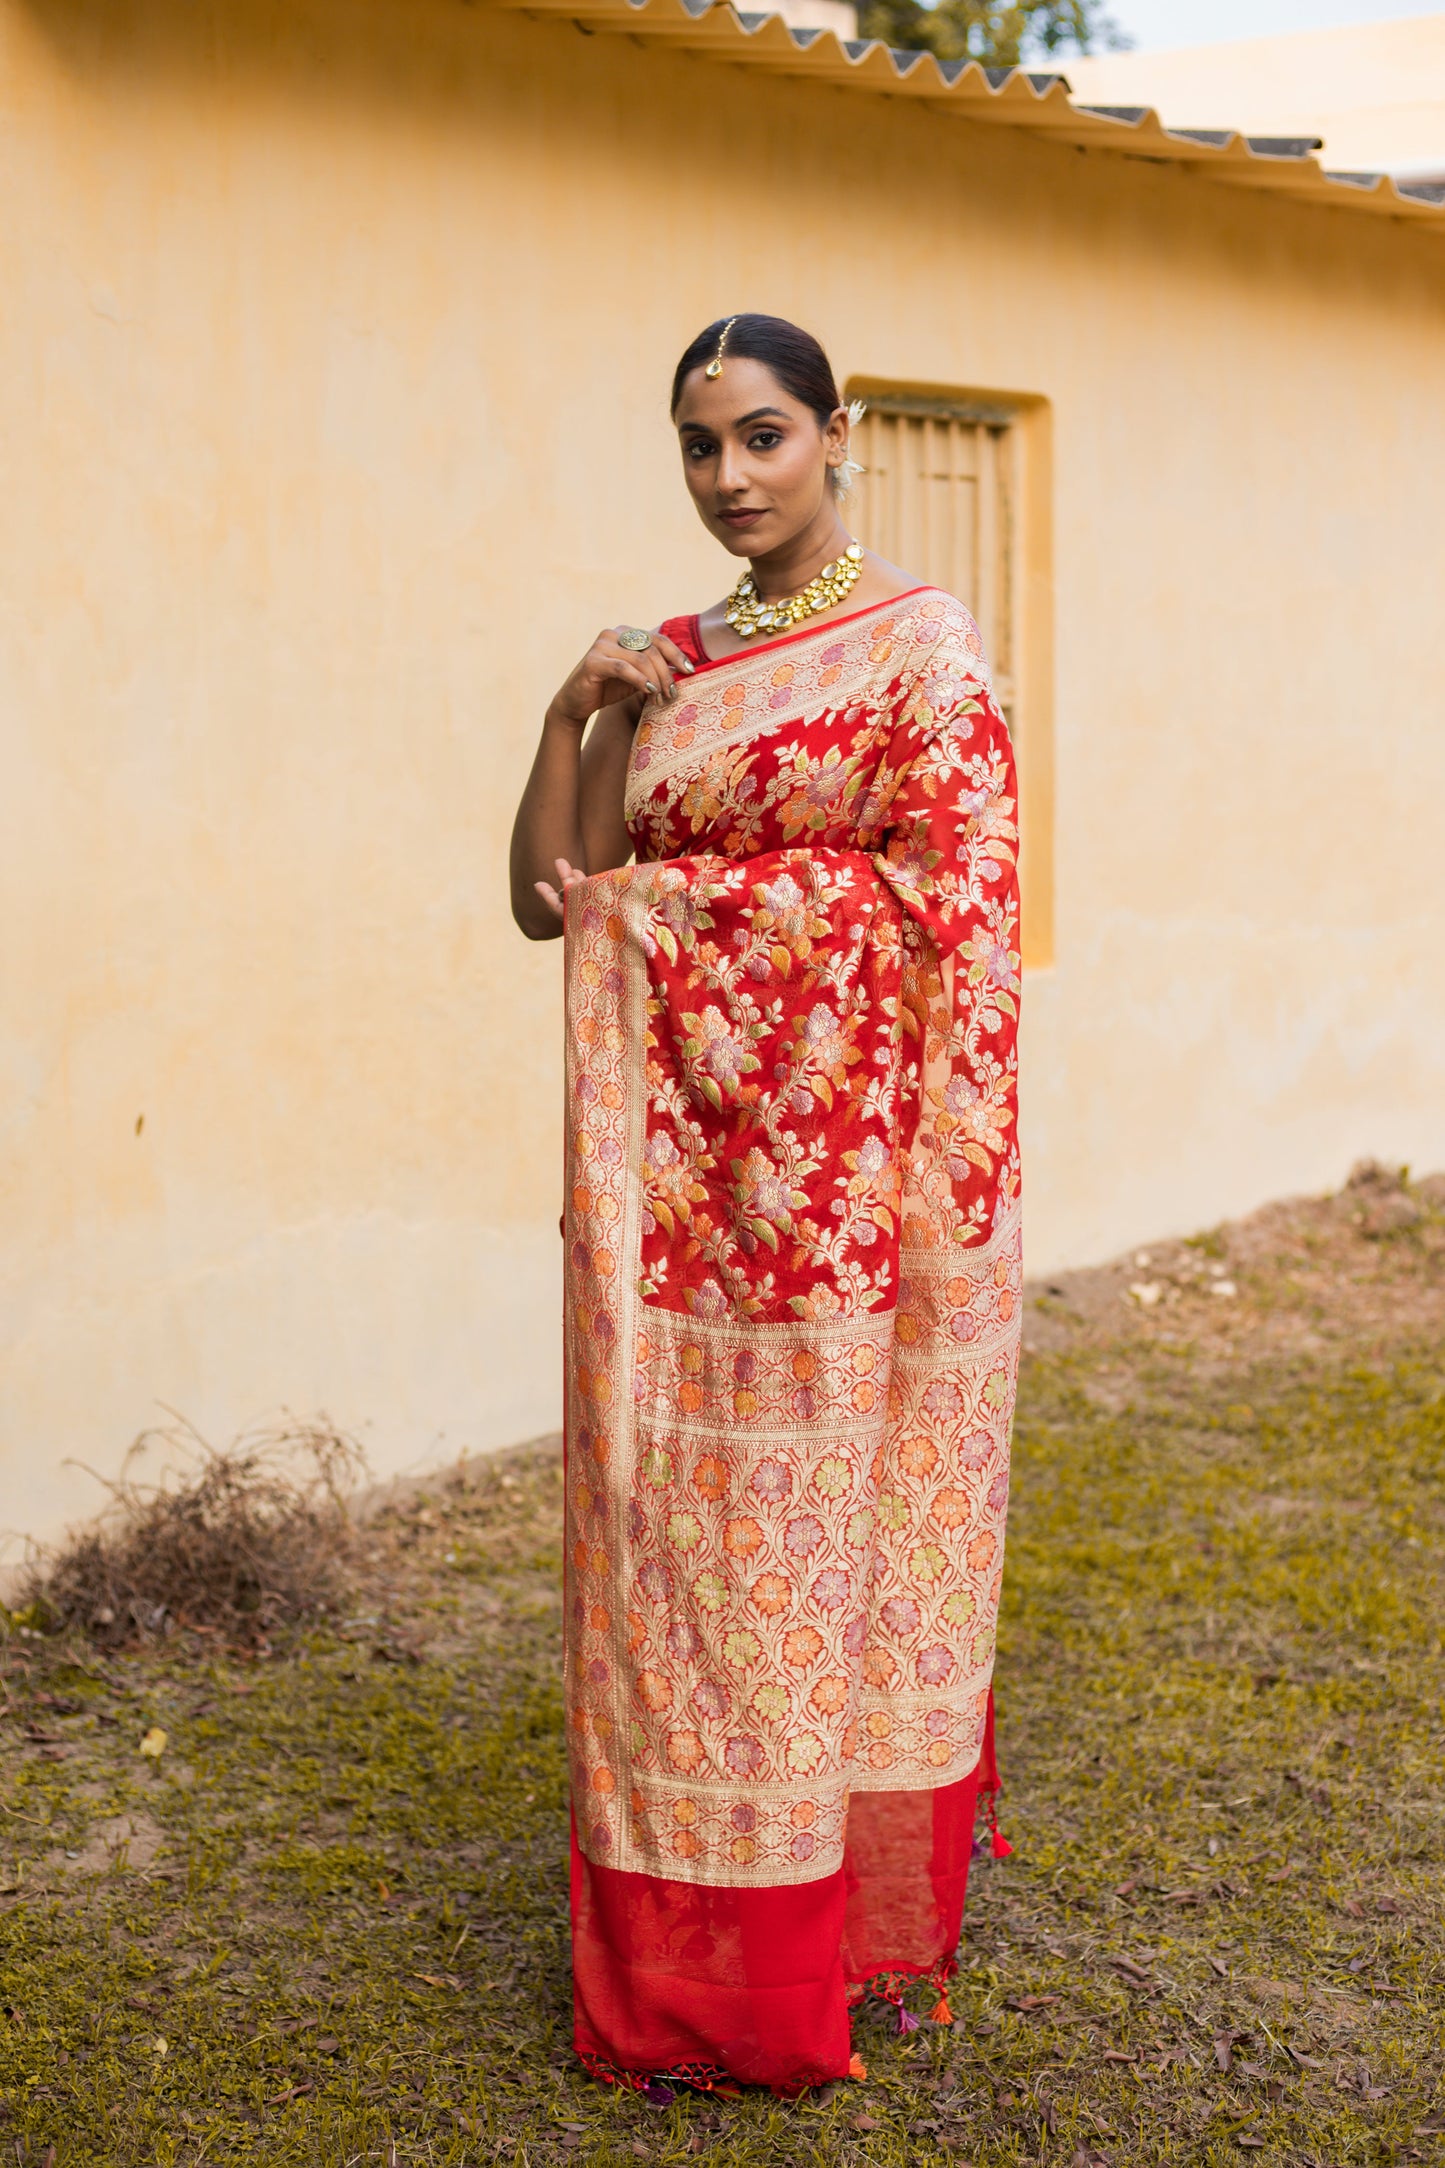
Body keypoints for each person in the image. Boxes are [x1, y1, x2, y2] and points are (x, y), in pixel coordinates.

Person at [509, 313, 1021, 2095]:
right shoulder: (662, 660)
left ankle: (843, 1934)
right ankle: (683, 1969)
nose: (730, 479)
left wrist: (724, 920)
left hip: (848, 1205)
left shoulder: (920, 652)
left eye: (764, 439)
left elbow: (955, 906)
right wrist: (574, 714)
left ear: (839, 433)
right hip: (668, 1205)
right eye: (700, 448)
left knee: (839, 1556)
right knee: (671, 1566)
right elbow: (557, 900)